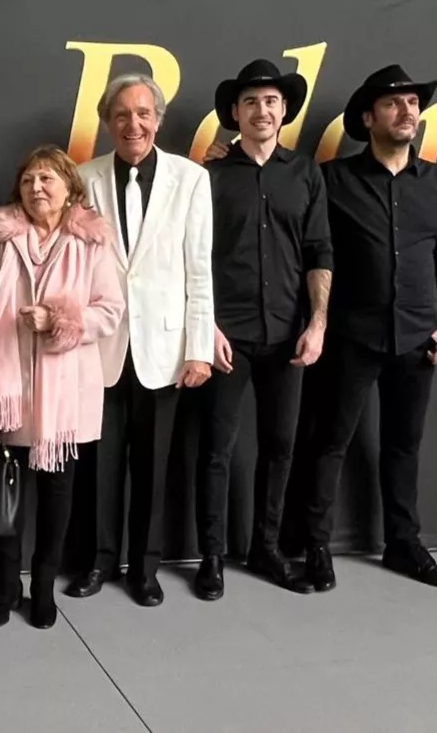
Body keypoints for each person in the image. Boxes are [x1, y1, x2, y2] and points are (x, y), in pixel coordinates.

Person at [301, 65, 437, 591]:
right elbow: (311, 249)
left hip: (419, 336)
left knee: (404, 445)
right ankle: (314, 547)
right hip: (352, 334)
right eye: (394, 104)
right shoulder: (333, 180)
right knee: (329, 442)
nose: (407, 112)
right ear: (369, 117)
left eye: (413, 104)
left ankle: (403, 545)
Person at [0, 145, 124, 629]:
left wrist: (60, 319)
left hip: (67, 394)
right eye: (29, 180)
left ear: (70, 188)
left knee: (57, 494)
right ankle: (6, 586)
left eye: (48, 179)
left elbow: (111, 310)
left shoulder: (92, 242)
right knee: (6, 494)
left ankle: (44, 586)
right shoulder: (0, 241)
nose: (37, 188)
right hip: (9, 394)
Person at [69, 73, 214, 607]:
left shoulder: (191, 180)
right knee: (98, 465)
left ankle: (145, 568)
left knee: (153, 466)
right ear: (108, 122)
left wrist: (199, 346)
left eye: (143, 113)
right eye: (122, 115)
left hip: (165, 347)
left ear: (159, 118)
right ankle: (97, 562)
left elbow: (199, 269)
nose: (134, 124)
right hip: (100, 348)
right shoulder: (82, 178)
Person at [193, 60, 332, 601]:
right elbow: (193, 258)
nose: (261, 110)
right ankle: (210, 556)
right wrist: (205, 326)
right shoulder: (209, 176)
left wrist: (318, 322)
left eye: (271, 101)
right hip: (227, 335)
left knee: (280, 447)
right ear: (235, 112)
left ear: (283, 110)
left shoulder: (305, 174)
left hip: (289, 334)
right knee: (216, 450)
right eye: (251, 101)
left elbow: (320, 250)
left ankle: (266, 549)